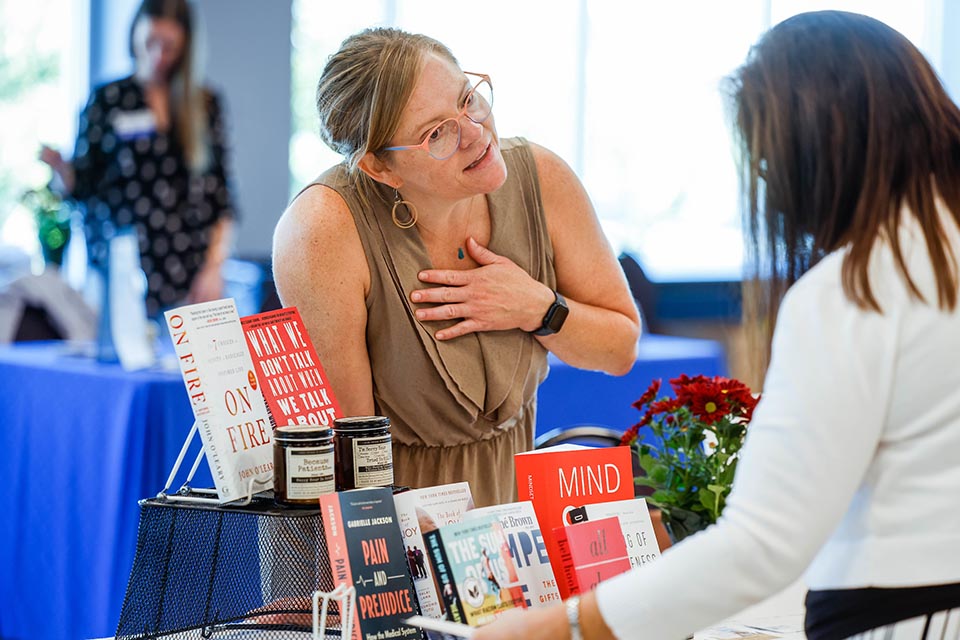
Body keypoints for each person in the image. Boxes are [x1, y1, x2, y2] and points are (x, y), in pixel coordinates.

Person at [473, 10, 960, 640]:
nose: (768, 182)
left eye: (768, 161)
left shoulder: (856, 290)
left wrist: (559, 626)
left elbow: (763, 542)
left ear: (818, 150)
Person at [272, 28, 640, 507]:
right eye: (436, 133)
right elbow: (350, 465)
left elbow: (620, 349)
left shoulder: (543, 177)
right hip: (397, 524)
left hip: (516, 517)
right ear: (380, 169)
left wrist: (537, 307)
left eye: (468, 99)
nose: (475, 132)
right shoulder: (321, 230)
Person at [40, 0, 236, 318]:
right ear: (135, 37)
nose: (158, 55)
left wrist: (214, 268)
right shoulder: (108, 99)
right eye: (150, 43)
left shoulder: (205, 104)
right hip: (117, 275)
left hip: (188, 277)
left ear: (186, 46)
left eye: (169, 47)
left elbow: (222, 198)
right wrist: (63, 171)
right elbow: (81, 186)